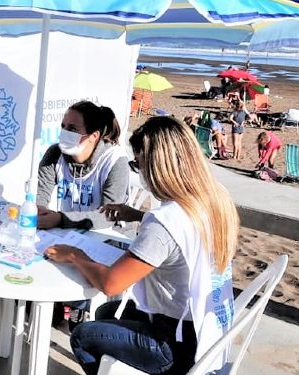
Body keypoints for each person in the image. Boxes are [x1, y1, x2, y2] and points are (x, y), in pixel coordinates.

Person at [44, 116, 240, 375]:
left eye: (139, 164)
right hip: (206, 327)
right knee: (106, 310)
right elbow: (183, 232)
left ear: (158, 165)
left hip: (174, 345)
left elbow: (112, 283)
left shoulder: (165, 222)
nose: (140, 172)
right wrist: (137, 215)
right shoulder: (215, 197)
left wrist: (76, 256)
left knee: (82, 336)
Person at [35, 101, 129, 329]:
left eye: (73, 129)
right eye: (63, 126)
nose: (64, 132)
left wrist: (60, 219)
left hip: (106, 238)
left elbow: (109, 215)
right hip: (69, 233)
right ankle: (64, 304)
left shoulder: (114, 161)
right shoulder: (55, 153)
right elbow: (40, 197)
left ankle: (81, 308)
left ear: (94, 136)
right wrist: (39, 213)